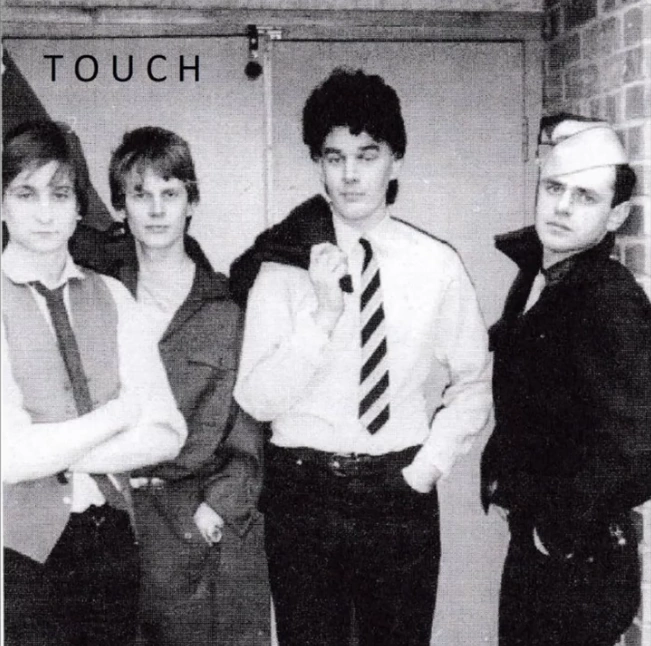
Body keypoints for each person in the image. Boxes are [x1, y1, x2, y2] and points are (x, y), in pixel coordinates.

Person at [231, 67, 493, 646]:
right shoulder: (284, 266)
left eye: (367, 155)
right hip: (303, 491)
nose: (349, 175)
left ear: (395, 160)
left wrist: (426, 469)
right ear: (318, 164)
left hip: (398, 489)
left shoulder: (436, 264)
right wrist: (322, 316)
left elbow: (474, 382)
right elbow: (255, 398)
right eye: (334, 157)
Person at [1, 119, 187, 646]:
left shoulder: (113, 296)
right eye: (26, 193)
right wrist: (118, 415)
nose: (45, 212)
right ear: (2, 204)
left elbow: (168, 432)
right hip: (17, 554)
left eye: (60, 194)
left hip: (111, 543)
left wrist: (58, 453)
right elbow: (8, 457)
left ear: (79, 208)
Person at [86, 126, 268, 646]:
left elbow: (248, 436)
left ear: (192, 202)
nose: (156, 210)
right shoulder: (98, 298)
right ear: (120, 206)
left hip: (200, 528)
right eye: (139, 194)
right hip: (115, 520)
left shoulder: (228, 309)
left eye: (170, 193)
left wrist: (216, 509)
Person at [481, 114, 651, 646]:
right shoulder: (543, 274)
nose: (562, 207)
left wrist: (556, 530)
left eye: (586, 197)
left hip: (578, 561)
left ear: (617, 214)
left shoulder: (610, 300)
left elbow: (639, 445)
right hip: (543, 548)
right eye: (554, 188)